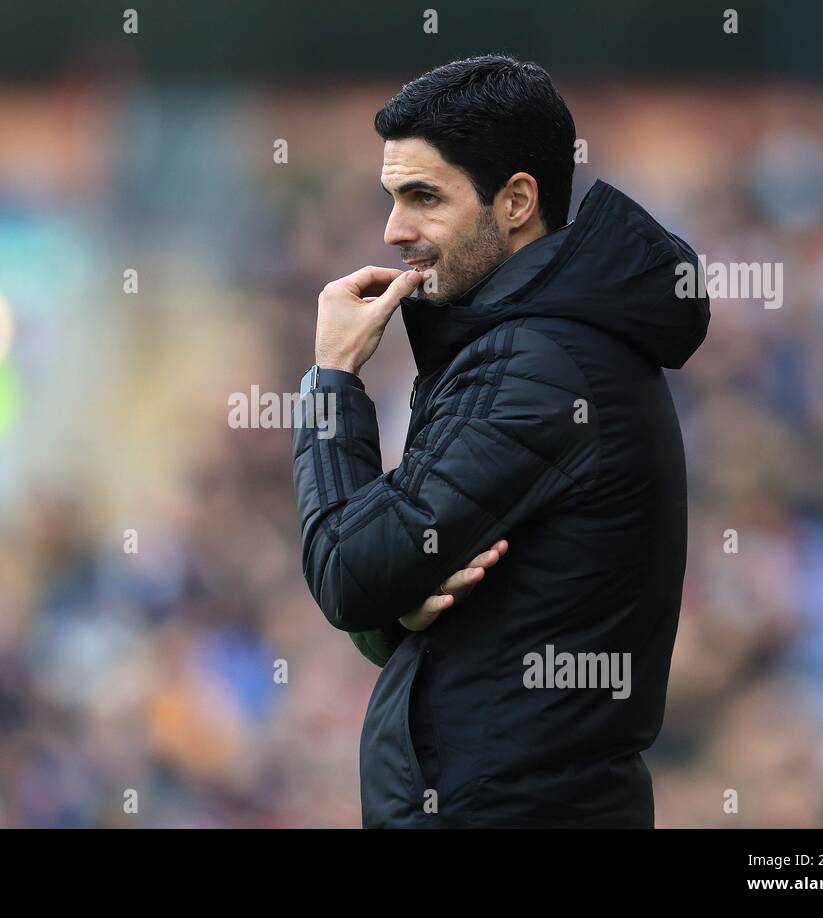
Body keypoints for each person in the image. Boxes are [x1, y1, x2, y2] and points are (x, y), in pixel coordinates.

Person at [291, 54, 710, 827]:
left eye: (424, 197)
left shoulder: (539, 364)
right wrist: (395, 611)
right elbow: (385, 599)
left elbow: (347, 569)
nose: (394, 231)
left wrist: (332, 379)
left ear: (516, 201)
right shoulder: (537, 346)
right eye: (392, 197)